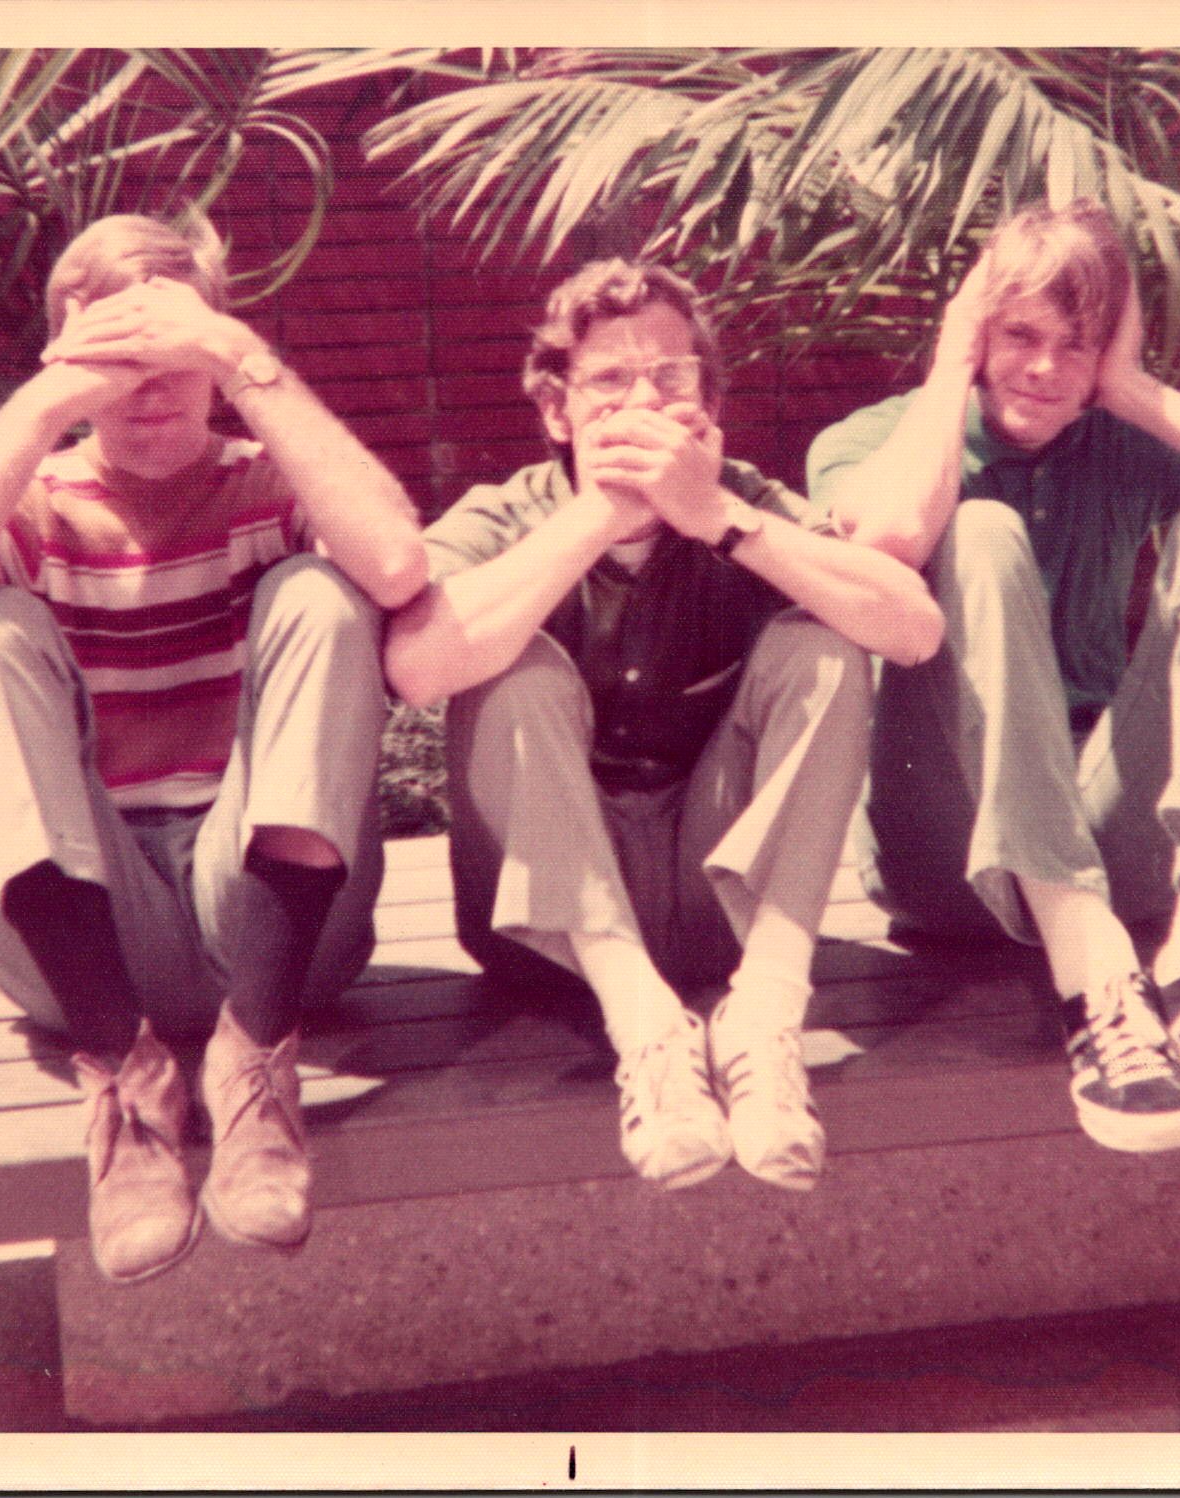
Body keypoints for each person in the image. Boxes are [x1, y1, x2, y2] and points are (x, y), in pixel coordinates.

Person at [0, 213, 426, 1282]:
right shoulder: (32, 505)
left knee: (325, 592)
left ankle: (255, 1065)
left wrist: (244, 359)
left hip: (276, 924)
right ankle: (126, 1081)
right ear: (66, 361)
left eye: (173, 353)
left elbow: (395, 565)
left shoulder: (270, 480)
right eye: (115, 359)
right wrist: (40, 406)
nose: (148, 388)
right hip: (88, 941)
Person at [807, 199, 1180, 1155]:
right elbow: (892, 537)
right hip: (947, 852)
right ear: (976, 329)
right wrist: (950, 368)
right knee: (975, 531)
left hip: (1115, 843)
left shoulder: (1117, 435)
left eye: (1074, 346)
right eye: (1020, 335)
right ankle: (1089, 974)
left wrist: (1132, 391)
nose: (1043, 368)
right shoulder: (875, 439)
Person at [385, 259, 941, 1192]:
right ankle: (645, 1031)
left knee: (825, 646)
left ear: (707, 402)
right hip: (551, 934)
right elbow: (416, 668)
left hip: (721, 906)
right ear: (557, 411)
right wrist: (600, 515)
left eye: (670, 376)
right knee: (505, 664)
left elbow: (913, 629)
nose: (643, 402)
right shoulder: (507, 513)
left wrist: (717, 515)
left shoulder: (739, 498)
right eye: (609, 380)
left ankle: (764, 1019)